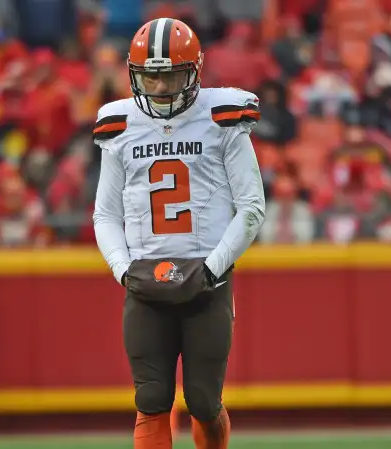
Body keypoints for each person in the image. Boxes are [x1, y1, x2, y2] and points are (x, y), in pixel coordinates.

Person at [92, 18, 266, 449]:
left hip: (207, 277)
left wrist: (211, 269)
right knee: (151, 398)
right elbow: (105, 215)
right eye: (150, 76)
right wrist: (123, 270)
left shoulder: (221, 116)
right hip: (145, 279)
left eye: (170, 75)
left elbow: (251, 207)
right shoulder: (120, 125)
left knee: (204, 400)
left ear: (195, 70)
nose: (160, 87)